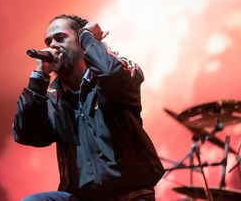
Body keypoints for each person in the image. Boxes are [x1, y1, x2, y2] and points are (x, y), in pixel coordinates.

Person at [13, 15, 164, 201]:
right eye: (48, 41)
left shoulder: (115, 74)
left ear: (81, 41)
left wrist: (88, 38)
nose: (52, 45)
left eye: (60, 38)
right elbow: (25, 133)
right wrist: (39, 77)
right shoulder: (53, 96)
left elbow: (110, 71)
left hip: (130, 195)